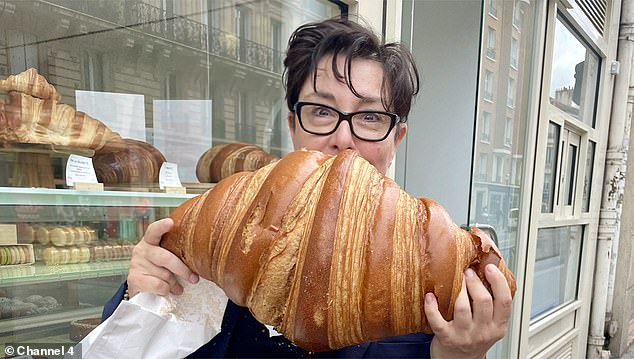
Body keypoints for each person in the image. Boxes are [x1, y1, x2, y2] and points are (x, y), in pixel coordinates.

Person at [102, 17, 512, 358]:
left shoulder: (437, 281)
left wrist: (458, 355)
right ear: (293, 124)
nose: (343, 139)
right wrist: (142, 299)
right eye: (321, 111)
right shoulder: (213, 243)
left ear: (396, 139)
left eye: (370, 118)